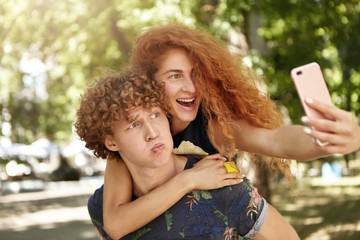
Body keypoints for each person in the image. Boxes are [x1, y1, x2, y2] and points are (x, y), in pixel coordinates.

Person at [99, 23, 360, 238]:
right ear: (148, 84)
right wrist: (189, 180)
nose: (191, 87)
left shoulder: (212, 126)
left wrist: (325, 140)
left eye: (195, 74)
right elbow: (116, 223)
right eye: (175, 76)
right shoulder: (133, 142)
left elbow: (275, 141)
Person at [75, 67, 300, 239]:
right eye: (134, 125)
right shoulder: (101, 207)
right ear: (112, 142)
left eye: (155, 115)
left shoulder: (223, 182)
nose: (152, 133)